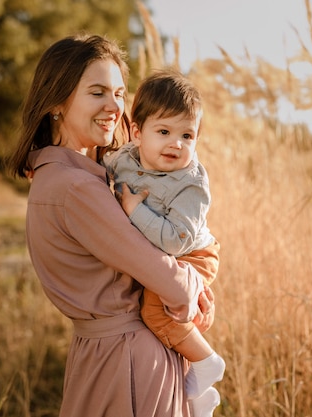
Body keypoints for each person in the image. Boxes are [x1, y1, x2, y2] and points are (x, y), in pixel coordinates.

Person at [6, 34, 217, 417]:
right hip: (127, 360)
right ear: (56, 100)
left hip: (108, 354)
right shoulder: (77, 188)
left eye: (119, 94)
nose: (114, 107)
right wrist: (196, 284)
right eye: (98, 92)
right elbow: (174, 287)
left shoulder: (60, 176)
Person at [105, 69, 225, 417]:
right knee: (161, 320)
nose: (176, 143)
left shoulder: (192, 185)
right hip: (172, 250)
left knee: (158, 311)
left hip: (194, 253)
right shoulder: (125, 158)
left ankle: (206, 362)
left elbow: (174, 242)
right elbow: (100, 172)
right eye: (164, 131)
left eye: (187, 135)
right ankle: (195, 398)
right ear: (137, 133)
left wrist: (135, 210)